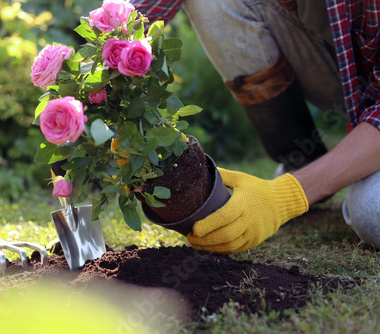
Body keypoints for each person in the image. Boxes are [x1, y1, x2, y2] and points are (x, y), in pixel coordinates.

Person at [129, 0, 380, 252]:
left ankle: (324, 177)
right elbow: (144, 11)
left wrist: (286, 196)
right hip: (340, 66)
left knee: (373, 213)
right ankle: (302, 160)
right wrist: (102, 77)